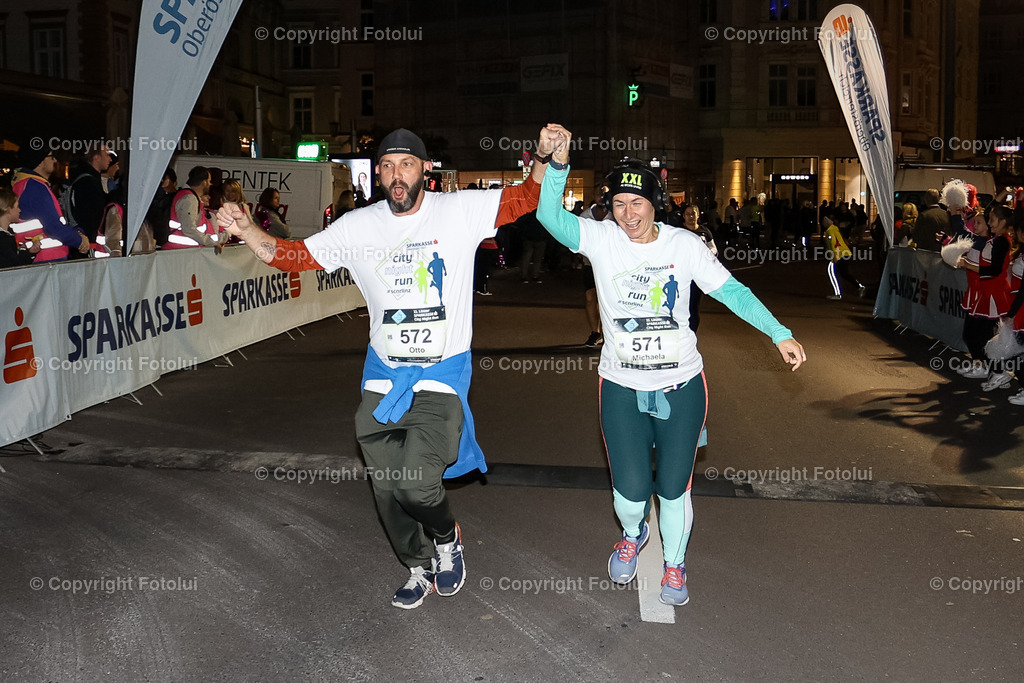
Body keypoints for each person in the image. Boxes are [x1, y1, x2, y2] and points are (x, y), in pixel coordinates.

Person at [215, 124, 567, 609]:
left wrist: (547, 158)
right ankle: (417, 566)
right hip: (383, 375)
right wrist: (246, 230)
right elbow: (293, 256)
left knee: (416, 484)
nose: (396, 176)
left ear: (424, 170)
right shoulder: (360, 226)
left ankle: (448, 540)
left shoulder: (458, 210)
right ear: (378, 175)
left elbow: (526, 197)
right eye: (387, 167)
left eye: (406, 165)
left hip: (441, 374)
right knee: (386, 491)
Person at [536, 146, 805, 607]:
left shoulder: (684, 245)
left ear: (654, 203)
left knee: (674, 487)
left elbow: (732, 291)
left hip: (681, 388)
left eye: (637, 203)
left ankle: (675, 565)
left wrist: (778, 332)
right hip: (620, 386)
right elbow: (550, 218)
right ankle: (633, 533)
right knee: (631, 493)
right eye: (619, 204)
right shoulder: (601, 238)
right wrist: (556, 166)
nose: (628, 213)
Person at [956, 206, 1013, 388]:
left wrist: (968, 265)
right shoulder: (994, 240)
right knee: (973, 335)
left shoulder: (1001, 242)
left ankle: (999, 372)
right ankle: (985, 367)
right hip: (983, 294)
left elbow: (995, 270)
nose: (989, 223)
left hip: (992, 295)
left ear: (1002, 221)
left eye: (992, 219)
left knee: (984, 338)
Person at [12, 141, 89, 262]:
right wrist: (79, 241)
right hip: (47, 259)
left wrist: (77, 233)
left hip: (37, 258)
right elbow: (52, 227)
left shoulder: (24, 184)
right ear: (40, 161)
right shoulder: (35, 187)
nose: (55, 161)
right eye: (51, 156)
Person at [163, 166, 226, 250]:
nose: (210, 184)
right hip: (182, 252)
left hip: (182, 251)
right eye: (209, 181)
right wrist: (211, 241)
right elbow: (189, 229)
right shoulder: (189, 199)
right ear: (204, 182)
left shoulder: (188, 196)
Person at [65, 146, 111, 259]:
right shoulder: (88, 183)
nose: (110, 159)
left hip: (81, 243)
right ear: (96, 157)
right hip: (86, 246)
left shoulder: (84, 179)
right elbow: (93, 218)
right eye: (106, 155)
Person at [680, 204, 717, 332]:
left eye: (693, 213)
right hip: (681, 275)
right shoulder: (678, 232)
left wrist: (706, 253)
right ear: (683, 216)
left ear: (698, 215)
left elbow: (713, 248)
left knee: (694, 307)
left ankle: (692, 332)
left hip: (697, 277)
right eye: (688, 214)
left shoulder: (704, 231)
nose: (691, 217)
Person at [1003, 219, 1024, 404]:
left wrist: (1012, 312)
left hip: (1021, 310)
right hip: (1018, 307)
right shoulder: (1021, 253)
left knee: (1018, 354)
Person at [823, 215, 865, 300]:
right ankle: (860, 286)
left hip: (839, 254)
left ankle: (837, 293)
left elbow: (832, 244)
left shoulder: (830, 231)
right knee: (844, 273)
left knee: (831, 273)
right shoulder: (835, 229)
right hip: (845, 253)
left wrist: (834, 256)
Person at [0, 188, 40, 268]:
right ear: (7, 208)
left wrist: (29, 253)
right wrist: (24, 251)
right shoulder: (2, 239)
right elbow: (14, 267)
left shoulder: (8, 234)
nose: (19, 210)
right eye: (17, 206)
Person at [516, 210, 547, 283]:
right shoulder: (543, 214)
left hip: (529, 238)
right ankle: (535, 275)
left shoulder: (528, 214)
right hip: (540, 238)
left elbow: (521, 223)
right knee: (537, 259)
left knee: (526, 258)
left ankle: (524, 276)